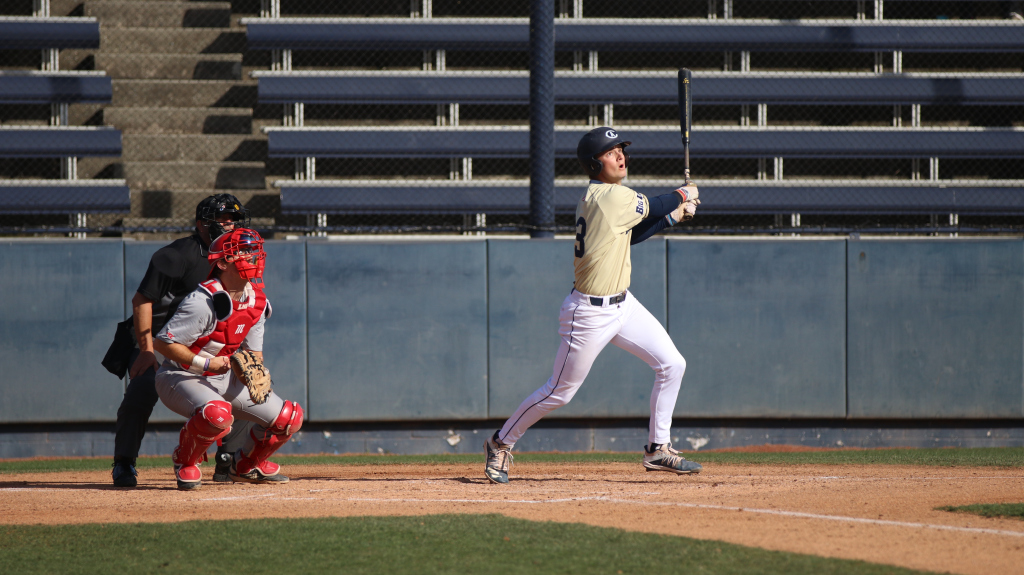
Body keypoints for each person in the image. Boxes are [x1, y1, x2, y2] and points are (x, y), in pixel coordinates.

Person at [484, 126, 702, 484]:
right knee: (559, 392)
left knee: (672, 364)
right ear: (593, 162)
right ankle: (500, 443)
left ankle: (657, 448)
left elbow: (630, 236)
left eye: (621, 149)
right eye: (611, 151)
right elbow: (657, 203)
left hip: (623, 305)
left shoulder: (605, 198)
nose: (620, 156)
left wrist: (676, 215)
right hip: (588, 313)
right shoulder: (609, 197)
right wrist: (683, 194)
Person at [109, 194, 254, 487]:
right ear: (202, 224)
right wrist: (147, 350)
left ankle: (228, 461)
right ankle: (124, 463)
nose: (229, 226)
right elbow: (142, 300)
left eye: (233, 221)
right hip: (163, 338)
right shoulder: (177, 255)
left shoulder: (238, 255)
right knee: (141, 391)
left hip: (208, 340)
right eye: (222, 220)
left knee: (246, 386)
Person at [153, 228, 303, 490]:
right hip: (182, 376)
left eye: (253, 250)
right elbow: (164, 343)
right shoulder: (203, 301)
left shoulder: (256, 301)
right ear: (222, 262)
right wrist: (207, 363)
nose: (252, 256)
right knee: (216, 414)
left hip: (224, 377)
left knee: (288, 418)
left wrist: (254, 370)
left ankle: (246, 465)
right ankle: (185, 460)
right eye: (242, 252)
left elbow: (254, 353)